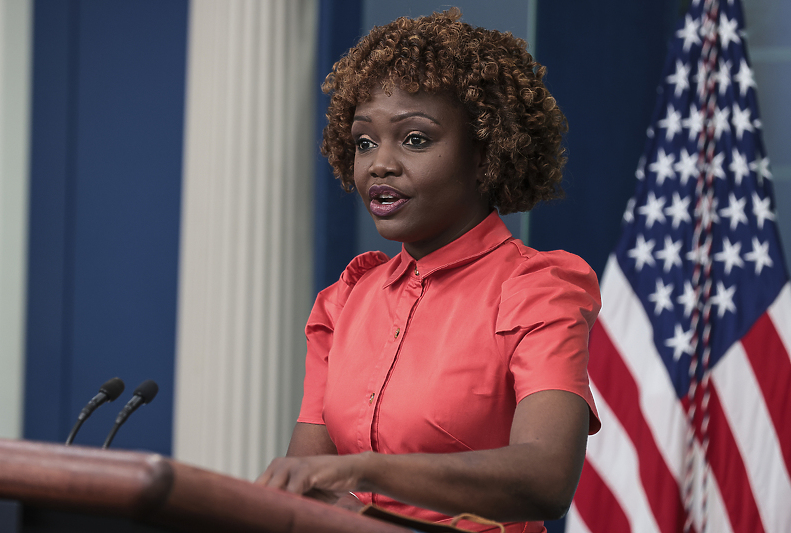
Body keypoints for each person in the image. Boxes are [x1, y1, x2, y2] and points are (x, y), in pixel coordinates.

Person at [256, 9, 601, 533]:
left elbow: (546, 478)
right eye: (364, 142)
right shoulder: (343, 303)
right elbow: (309, 485)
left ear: (487, 153)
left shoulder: (537, 288)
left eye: (415, 139)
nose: (379, 164)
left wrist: (366, 470)